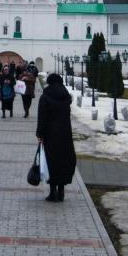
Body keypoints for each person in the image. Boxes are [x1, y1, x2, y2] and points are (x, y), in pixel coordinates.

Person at [36, 73, 76, 202]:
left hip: (50, 134)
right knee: (64, 160)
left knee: (51, 161)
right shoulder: (66, 97)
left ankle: (53, 192)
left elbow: (42, 118)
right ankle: (61, 191)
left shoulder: (46, 97)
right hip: (65, 134)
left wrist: (40, 134)